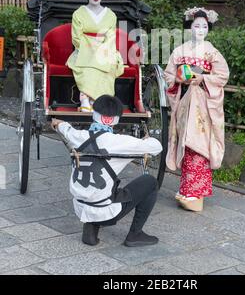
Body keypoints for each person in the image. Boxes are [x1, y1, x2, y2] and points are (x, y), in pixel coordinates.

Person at [51, 94, 162, 247]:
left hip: (80, 208)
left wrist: (58, 123)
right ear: (115, 119)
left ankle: (91, 228)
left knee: (102, 189)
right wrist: (143, 141)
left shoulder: (78, 136)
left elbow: (65, 128)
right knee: (149, 182)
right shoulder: (120, 142)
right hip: (106, 212)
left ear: (94, 114)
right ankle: (135, 234)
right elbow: (157, 147)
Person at [164, 7, 229, 212]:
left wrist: (203, 78)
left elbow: (222, 76)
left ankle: (195, 194)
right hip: (184, 99)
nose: (200, 29)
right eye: (196, 26)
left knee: (198, 144)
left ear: (208, 28)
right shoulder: (180, 51)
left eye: (204, 26)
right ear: (189, 27)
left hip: (202, 101)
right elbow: (168, 75)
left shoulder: (212, 52)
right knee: (186, 143)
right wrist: (177, 79)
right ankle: (186, 191)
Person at [66, 0, 124, 112]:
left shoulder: (110, 15)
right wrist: (90, 50)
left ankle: (96, 101)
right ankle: (85, 98)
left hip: (105, 50)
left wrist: (102, 51)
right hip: (83, 50)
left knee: (107, 65)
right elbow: (76, 37)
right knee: (89, 65)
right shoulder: (78, 13)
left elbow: (110, 37)